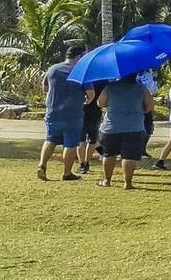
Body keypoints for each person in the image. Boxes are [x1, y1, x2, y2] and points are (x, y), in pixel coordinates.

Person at [36, 46, 90, 181]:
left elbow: (45, 88)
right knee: (70, 144)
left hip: (53, 111)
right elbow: (91, 94)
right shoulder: (81, 71)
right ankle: (67, 173)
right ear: (78, 57)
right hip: (73, 113)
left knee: (50, 139)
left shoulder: (53, 69)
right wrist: (86, 101)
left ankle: (42, 165)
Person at [94, 72, 154, 190]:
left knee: (109, 154)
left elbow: (100, 103)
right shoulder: (141, 88)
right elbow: (150, 107)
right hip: (134, 126)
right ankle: (128, 183)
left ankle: (107, 180)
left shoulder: (110, 86)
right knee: (129, 156)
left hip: (111, 127)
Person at [77, 67, 105, 174]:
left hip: (82, 110)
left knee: (81, 140)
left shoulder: (82, 78)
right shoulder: (103, 80)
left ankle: (82, 164)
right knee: (92, 140)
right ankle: (87, 163)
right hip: (96, 111)